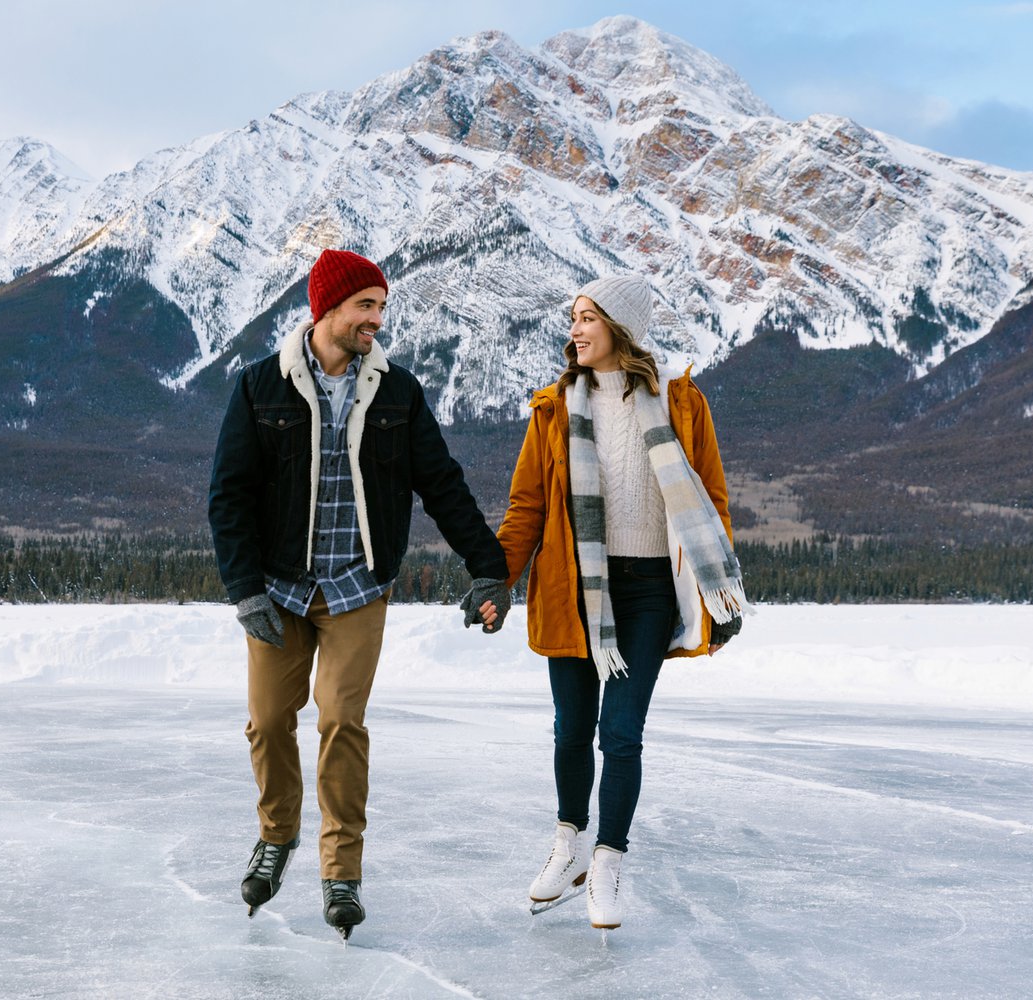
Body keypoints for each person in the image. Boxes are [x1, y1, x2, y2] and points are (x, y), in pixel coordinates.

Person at [208, 248, 511, 939]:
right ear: (328, 310)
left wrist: (487, 567)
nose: (378, 318)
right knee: (266, 719)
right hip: (279, 591)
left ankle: (341, 871)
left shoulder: (398, 394)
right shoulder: (261, 388)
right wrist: (245, 590)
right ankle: (276, 833)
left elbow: (443, 485)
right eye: (365, 306)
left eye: (382, 306)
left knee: (341, 721)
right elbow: (228, 496)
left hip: (357, 587)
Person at [490, 273, 744, 931]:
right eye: (572, 318)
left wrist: (720, 590)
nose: (574, 330)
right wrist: (497, 577)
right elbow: (527, 507)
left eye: (586, 319)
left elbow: (709, 501)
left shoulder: (682, 405)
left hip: (650, 593)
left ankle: (607, 861)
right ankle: (568, 843)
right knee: (571, 729)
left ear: (621, 329)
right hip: (572, 591)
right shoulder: (552, 409)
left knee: (620, 733)